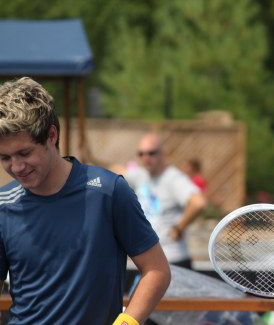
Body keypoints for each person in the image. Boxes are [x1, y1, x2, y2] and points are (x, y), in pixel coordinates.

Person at [0, 77, 171, 325]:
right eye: (5, 157)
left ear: (51, 135)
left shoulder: (108, 191)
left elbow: (156, 270)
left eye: (25, 153)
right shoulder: (3, 206)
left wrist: (127, 323)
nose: (16, 167)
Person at [126, 134, 207, 269]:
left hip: (174, 260)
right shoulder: (141, 175)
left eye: (151, 153)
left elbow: (198, 203)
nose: (146, 158)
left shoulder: (173, 178)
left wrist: (179, 228)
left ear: (163, 154)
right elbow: (115, 170)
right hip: (149, 259)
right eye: (141, 154)